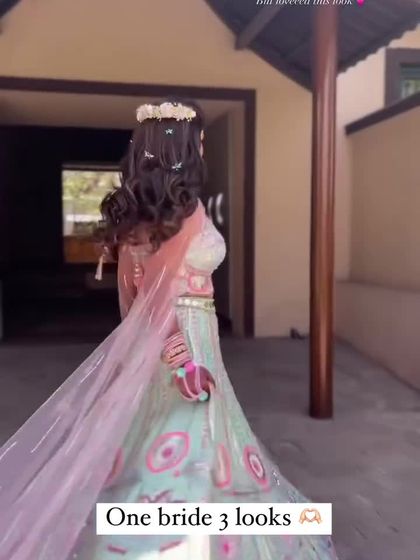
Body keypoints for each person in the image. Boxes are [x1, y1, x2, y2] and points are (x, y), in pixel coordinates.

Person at [0, 100, 337, 560]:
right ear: (185, 147)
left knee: (157, 436)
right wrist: (182, 357)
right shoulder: (186, 211)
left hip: (154, 339)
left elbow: (131, 297)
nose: (204, 146)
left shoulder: (137, 214)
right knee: (190, 441)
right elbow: (158, 296)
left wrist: (141, 348)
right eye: (200, 139)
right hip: (187, 339)